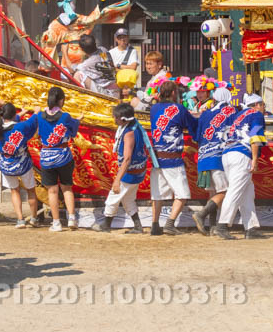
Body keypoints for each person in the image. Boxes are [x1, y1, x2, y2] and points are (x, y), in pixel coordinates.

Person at [147, 80, 199, 236]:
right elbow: (192, 125)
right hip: (173, 160)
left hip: (157, 158)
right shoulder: (179, 109)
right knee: (182, 194)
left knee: (157, 194)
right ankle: (169, 223)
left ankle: (155, 225)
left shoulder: (154, 108)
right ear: (174, 93)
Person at [213, 90, 267, 240]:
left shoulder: (238, 115)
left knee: (247, 192)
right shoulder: (256, 114)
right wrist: (255, 159)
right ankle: (222, 225)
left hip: (228, 153)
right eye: (263, 105)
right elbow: (255, 137)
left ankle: (250, 227)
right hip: (242, 154)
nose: (264, 108)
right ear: (257, 105)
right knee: (235, 190)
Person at [93, 102, 147, 234]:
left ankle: (106, 224)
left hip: (130, 172)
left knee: (113, 197)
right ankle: (138, 226)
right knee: (128, 198)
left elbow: (127, 159)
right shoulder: (135, 126)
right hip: (138, 169)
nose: (114, 120)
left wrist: (117, 180)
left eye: (116, 117)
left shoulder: (128, 133)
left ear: (123, 119)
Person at [35, 87, 81, 231]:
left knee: (52, 191)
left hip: (47, 157)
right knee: (67, 188)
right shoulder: (65, 116)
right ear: (61, 100)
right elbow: (73, 132)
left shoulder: (40, 116)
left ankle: (56, 223)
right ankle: (72, 218)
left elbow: (36, 135)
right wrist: (78, 120)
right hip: (63, 156)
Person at [191, 86, 233, 234]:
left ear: (214, 98)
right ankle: (201, 215)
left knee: (214, 192)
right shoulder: (230, 112)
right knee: (225, 191)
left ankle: (213, 226)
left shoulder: (205, 114)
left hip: (203, 156)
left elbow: (196, 137)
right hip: (218, 157)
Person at [0, 103, 41, 228]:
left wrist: (22, 113)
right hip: (22, 163)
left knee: (14, 190)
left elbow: (12, 123)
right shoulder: (21, 127)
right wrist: (36, 111)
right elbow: (32, 122)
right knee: (30, 190)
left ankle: (20, 219)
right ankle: (34, 218)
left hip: (6, 163)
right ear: (14, 114)